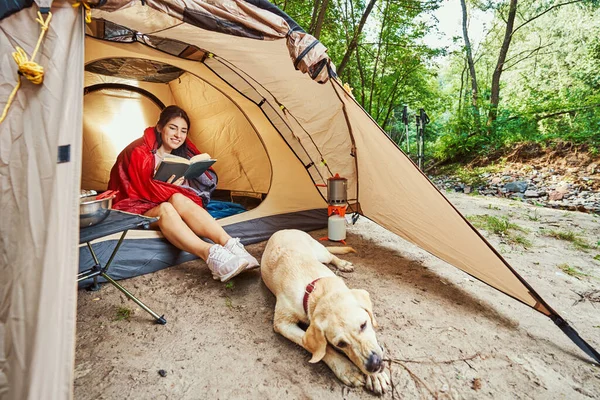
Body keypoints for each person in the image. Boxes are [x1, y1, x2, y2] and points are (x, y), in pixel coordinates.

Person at [108, 105, 258, 282]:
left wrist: (179, 185)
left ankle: (230, 244)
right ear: (159, 127)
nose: (178, 135)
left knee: (178, 197)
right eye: (172, 128)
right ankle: (211, 255)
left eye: (183, 131)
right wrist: (168, 187)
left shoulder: (180, 154)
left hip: (160, 200)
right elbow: (140, 191)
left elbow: (181, 190)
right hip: (135, 206)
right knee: (166, 208)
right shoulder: (140, 152)